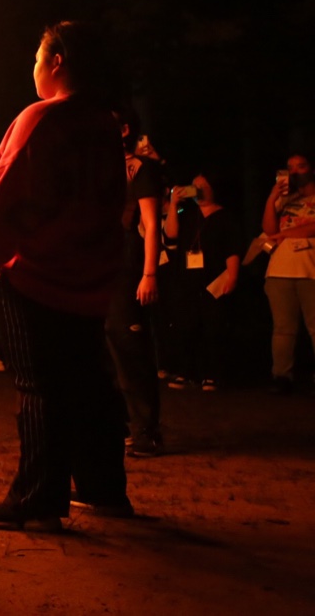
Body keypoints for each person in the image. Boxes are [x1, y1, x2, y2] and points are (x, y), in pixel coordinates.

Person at [0, 21, 130, 531]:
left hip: (37, 276)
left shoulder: (41, 117)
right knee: (89, 383)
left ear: (57, 60)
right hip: (89, 276)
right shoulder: (101, 123)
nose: (32, 67)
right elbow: (58, 194)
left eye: (36, 56)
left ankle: (37, 501)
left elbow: (15, 199)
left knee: (40, 387)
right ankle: (103, 489)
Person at [105, 112, 164, 458]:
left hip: (127, 261)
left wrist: (149, 273)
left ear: (125, 129)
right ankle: (120, 424)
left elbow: (152, 224)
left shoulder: (141, 168)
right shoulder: (96, 165)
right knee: (107, 343)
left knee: (129, 344)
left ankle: (146, 430)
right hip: (97, 258)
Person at [163, 172, 241, 391]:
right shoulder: (188, 214)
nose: (196, 189)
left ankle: (213, 374)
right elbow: (170, 235)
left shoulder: (225, 217)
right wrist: (173, 204)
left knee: (213, 328)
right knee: (186, 326)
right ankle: (187, 372)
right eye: (193, 185)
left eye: (201, 186)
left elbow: (232, 249)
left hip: (214, 279)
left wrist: (233, 275)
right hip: (187, 279)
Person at [261, 160, 315, 395]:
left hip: (311, 268)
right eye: (290, 168)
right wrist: (272, 198)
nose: (294, 172)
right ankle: (281, 376)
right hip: (280, 269)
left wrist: (286, 234)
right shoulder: (286, 200)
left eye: (300, 166)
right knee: (283, 328)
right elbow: (269, 230)